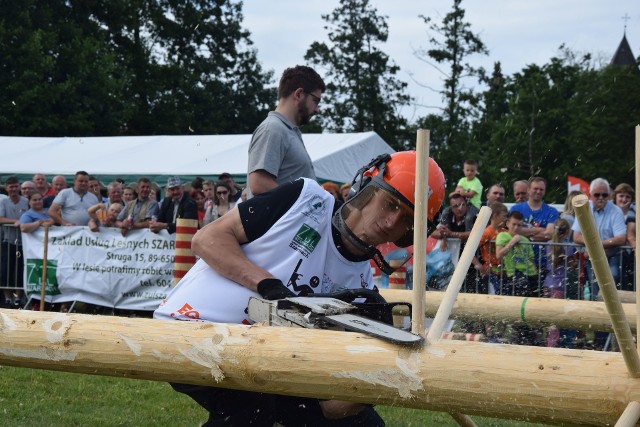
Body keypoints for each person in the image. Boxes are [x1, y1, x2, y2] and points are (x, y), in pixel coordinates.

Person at [154, 151, 445, 426]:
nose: (391, 221)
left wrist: (385, 377)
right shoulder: (305, 200)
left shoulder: (362, 290)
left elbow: (330, 407)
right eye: (390, 204)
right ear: (367, 189)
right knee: (253, 410)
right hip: (192, 325)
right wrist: (268, 285)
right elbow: (207, 239)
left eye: (407, 218)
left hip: (261, 359)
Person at [247, 65, 326, 198]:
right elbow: (259, 183)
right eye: (316, 100)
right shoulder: (272, 129)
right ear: (299, 94)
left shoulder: (288, 131)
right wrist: (307, 203)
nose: (317, 109)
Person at [572, 178, 627, 300]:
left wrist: (596, 245)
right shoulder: (583, 209)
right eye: (597, 195)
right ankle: (597, 312)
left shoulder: (616, 211)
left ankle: (612, 310)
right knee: (594, 285)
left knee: (612, 277)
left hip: (611, 256)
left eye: (604, 194)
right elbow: (576, 236)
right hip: (592, 257)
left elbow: (621, 238)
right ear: (590, 195)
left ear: (609, 195)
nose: (601, 197)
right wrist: (596, 246)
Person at [430, 192, 480, 293]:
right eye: (455, 206)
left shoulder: (473, 217)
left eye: (462, 205)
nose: (459, 208)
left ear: (467, 204)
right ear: (451, 208)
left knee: (471, 289)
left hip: (471, 261)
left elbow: (474, 234)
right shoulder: (447, 216)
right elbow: (432, 233)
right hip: (453, 261)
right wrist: (442, 234)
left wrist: (451, 234)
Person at [509, 177, 559, 277]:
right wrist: (539, 230)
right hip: (518, 262)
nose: (538, 191)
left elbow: (549, 234)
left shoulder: (551, 211)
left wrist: (524, 234)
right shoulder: (516, 209)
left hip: (542, 261)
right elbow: (512, 231)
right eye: (535, 188)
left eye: (541, 189)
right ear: (528, 190)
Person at [543, 218, 579, 348]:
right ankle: (552, 344)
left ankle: (548, 341)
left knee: (549, 316)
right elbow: (573, 265)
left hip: (547, 283)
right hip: (559, 285)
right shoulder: (568, 247)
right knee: (556, 318)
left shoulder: (548, 244)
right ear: (568, 232)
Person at [0, 177, 28, 308]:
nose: (13, 189)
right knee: (6, 270)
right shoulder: (3, 201)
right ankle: (7, 298)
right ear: (6, 188)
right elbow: (0, 218)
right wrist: (15, 222)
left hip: (25, 243)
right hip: (8, 240)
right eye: (11, 187)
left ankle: (18, 297)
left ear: (19, 187)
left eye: (16, 186)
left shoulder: (26, 201)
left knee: (20, 270)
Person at [472, 201, 508, 295]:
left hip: (504, 271)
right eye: (504, 216)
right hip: (491, 271)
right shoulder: (487, 232)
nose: (506, 219)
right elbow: (470, 249)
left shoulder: (505, 232)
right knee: (494, 296)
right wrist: (478, 265)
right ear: (495, 216)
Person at [613, 183, 636, 290]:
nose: (624, 199)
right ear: (615, 197)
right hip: (615, 253)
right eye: (621, 196)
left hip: (630, 254)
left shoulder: (634, 213)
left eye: (628, 197)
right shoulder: (610, 212)